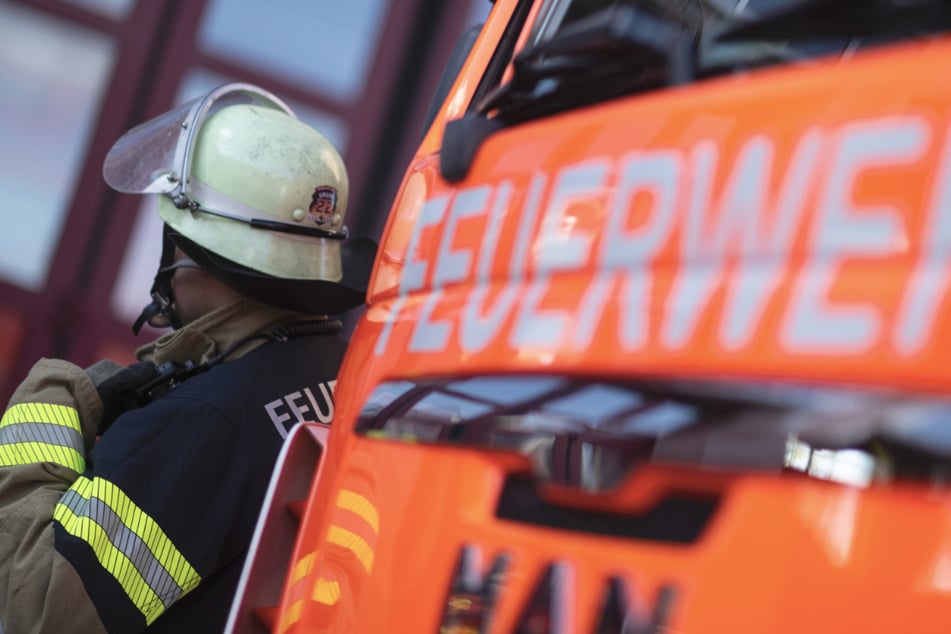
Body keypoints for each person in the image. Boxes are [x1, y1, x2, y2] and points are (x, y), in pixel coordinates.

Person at [0, 82, 377, 633]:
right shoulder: (349, 372)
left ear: (196, 256)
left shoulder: (203, 421)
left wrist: (52, 395)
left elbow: (35, 612)